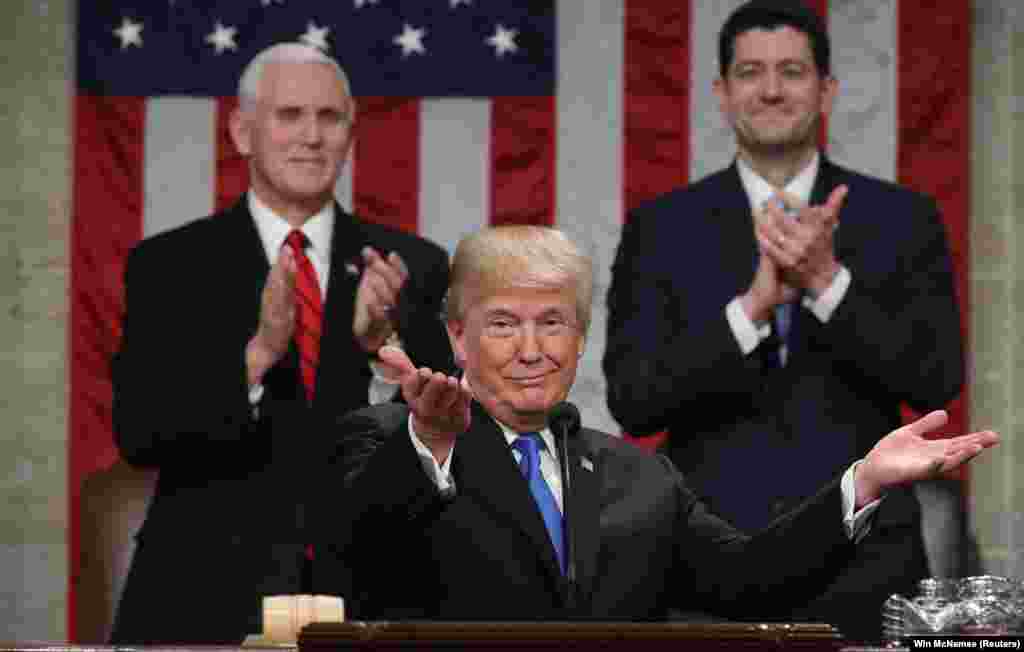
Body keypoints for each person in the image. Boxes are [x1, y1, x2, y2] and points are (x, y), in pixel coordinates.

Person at [314, 225, 993, 627]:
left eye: (552, 322)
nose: (530, 349)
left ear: (580, 340)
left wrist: (865, 481)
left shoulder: (636, 475)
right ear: (458, 339)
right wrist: (428, 443)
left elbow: (752, 579)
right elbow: (357, 547)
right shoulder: (386, 440)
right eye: (502, 324)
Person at [602, 0, 964, 640]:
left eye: (792, 71)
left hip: (866, 557)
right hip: (707, 559)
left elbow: (934, 380)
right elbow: (635, 401)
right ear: (722, 91)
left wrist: (827, 284)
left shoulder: (902, 218)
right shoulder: (662, 226)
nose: (771, 89)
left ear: (826, 90)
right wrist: (752, 310)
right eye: (750, 72)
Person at [109, 43, 452, 644]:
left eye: (329, 118)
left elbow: (443, 453)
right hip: (203, 595)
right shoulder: (168, 266)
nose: (311, 137)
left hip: (372, 593)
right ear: (242, 132)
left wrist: (384, 351)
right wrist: (258, 355)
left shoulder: (412, 268)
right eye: (289, 116)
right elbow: (142, 433)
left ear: (350, 132)